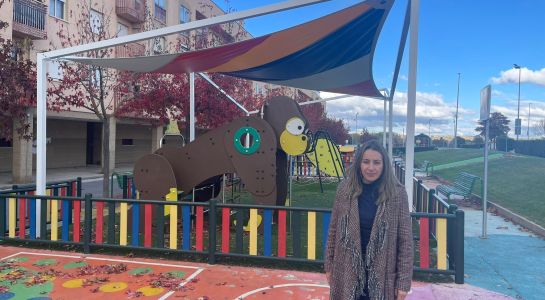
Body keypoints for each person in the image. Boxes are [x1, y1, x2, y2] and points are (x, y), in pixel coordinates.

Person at [325, 140, 413, 300]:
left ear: (384, 165)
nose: (371, 168)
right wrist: (329, 266)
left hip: (382, 272)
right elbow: (333, 230)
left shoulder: (397, 194)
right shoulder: (345, 190)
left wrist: (403, 282)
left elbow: (405, 241)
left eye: (376, 162)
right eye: (366, 161)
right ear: (359, 163)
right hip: (347, 268)